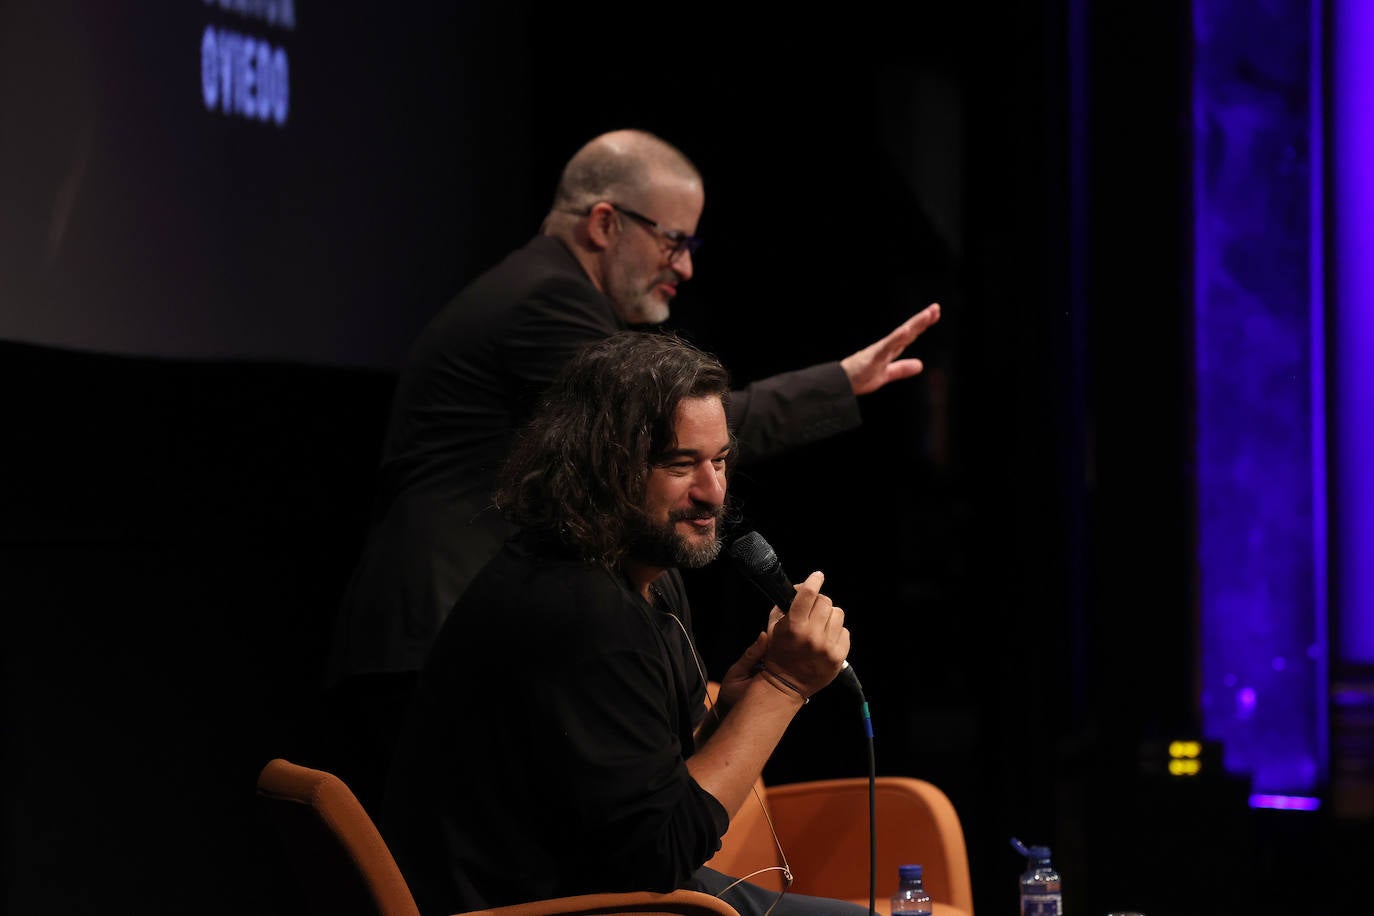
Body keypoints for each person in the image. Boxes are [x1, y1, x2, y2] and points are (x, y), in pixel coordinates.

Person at [320, 128, 940, 811]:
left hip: (446, 632)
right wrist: (839, 384)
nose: (686, 267)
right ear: (605, 223)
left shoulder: (541, 288)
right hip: (435, 628)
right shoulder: (543, 299)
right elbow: (672, 420)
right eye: (675, 241)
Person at [381, 330, 868, 915]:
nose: (713, 493)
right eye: (681, 464)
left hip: (614, 888)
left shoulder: (649, 578)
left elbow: (649, 800)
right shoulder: (578, 608)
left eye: (719, 461)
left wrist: (733, 716)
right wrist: (783, 687)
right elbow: (659, 853)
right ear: (601, 469)